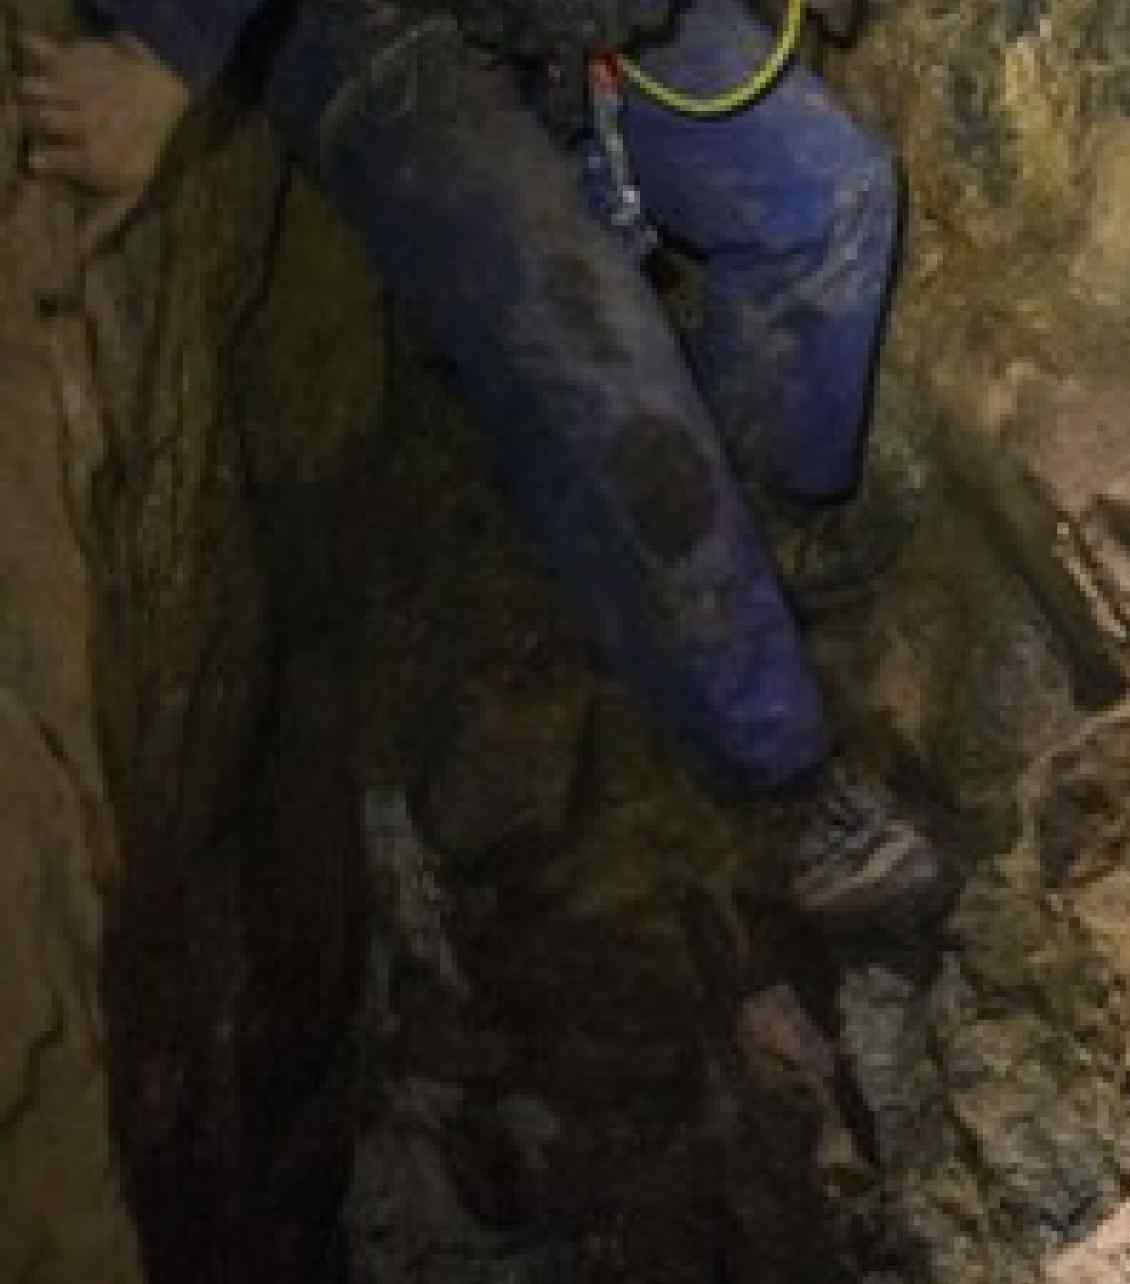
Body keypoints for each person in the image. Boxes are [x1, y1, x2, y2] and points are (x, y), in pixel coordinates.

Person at [14, 0, 948, 929]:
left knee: (830, 202)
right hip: (369, 31)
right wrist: (168, 52)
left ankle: (753, 533)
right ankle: (772, 775)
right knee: (598, 367)